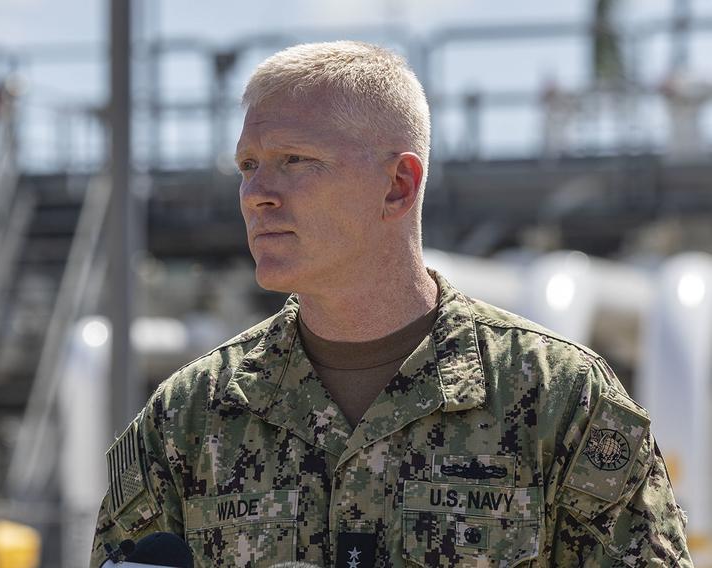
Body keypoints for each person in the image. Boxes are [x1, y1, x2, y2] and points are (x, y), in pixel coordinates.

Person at [90, 41, 691, 567]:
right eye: (248, 165)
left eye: (295, 160)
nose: (256, 195)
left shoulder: (559, 400)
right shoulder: (189, 418)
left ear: (399, 185)